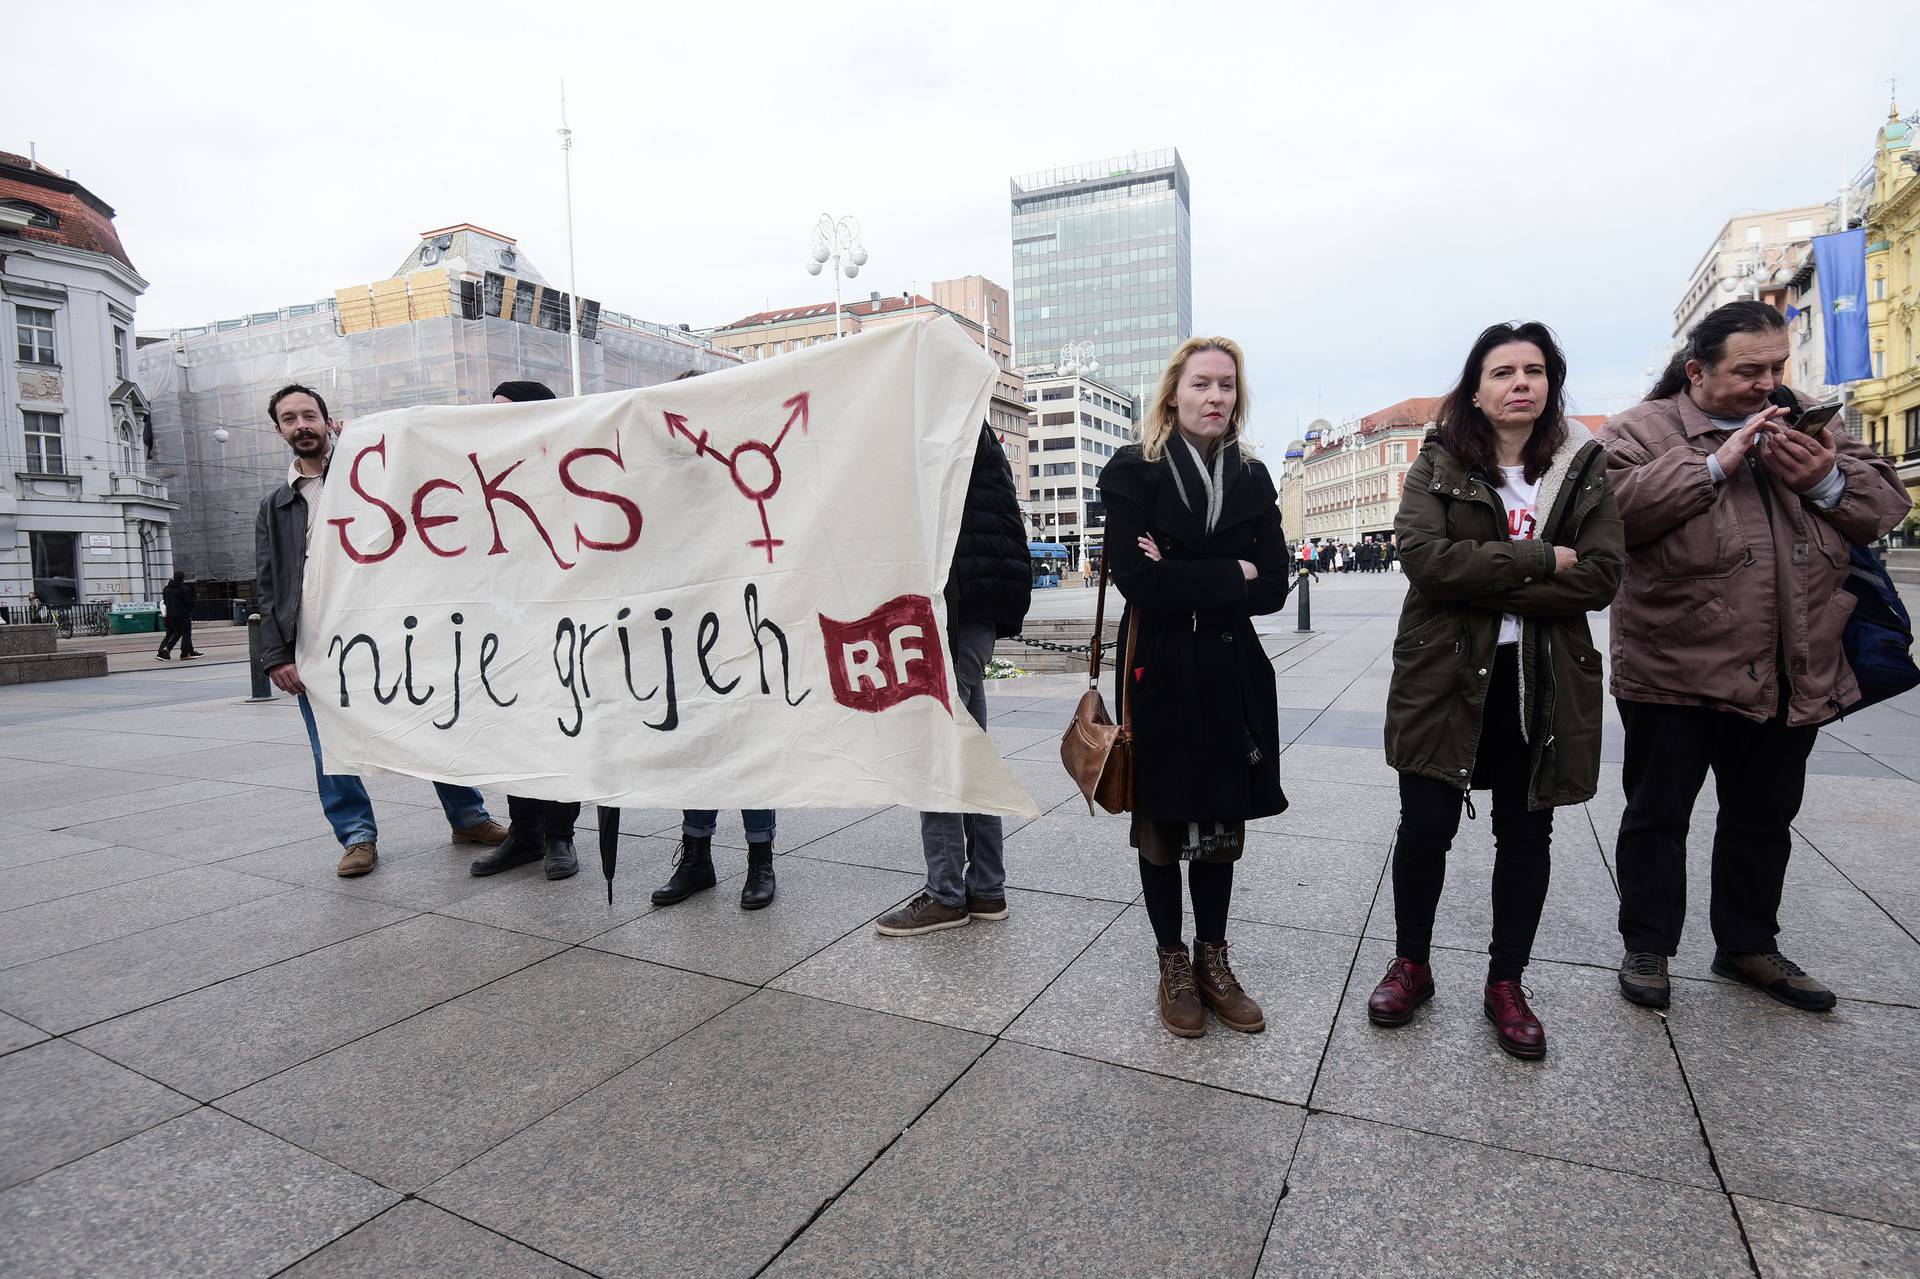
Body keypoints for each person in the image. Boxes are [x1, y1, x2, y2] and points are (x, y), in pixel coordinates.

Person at [1603, 301, 1910, 1012]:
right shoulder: (1639, 431)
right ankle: (1648, 942)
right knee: (1657, 813)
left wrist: (1826, 480)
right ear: (1696, 371)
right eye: (1749, 370)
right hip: (1672, 665)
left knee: (1764, 814)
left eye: (1777, 366)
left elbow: (1880, 503)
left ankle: (1748, 942)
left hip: (1789, 663)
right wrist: (1712, 464)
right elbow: (1614, 515)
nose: (1768, 382)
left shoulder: (1810, 418)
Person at [1370, 322, 1624, 1059]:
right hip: (1442, 674)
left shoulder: (1579, 466)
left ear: (1551, 383)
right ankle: (1410, 962)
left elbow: (1602, 576)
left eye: (1535, 370)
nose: (1521, 382)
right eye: (1504, 371)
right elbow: (1426, 562)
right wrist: (1541, 558)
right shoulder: (1439, 463)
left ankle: (1505, 981)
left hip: (1539, 676)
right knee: (1424, 827)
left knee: (1526, 831)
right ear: (1475, 390)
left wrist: (1487, 581)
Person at [1087, 337, 1290, 1039]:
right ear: (1173, 392)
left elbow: (1274, 587)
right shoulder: (1133, 472)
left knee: (1221, 825)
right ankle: (1172, 961)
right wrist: (1229, 570)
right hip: (1160, 671)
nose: (1215, 397)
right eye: (1202, 383)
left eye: (1227, 386)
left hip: (1230, 670)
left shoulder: (1256, 477)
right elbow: (1137, 581)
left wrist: (1186, 567)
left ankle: (1214, 958)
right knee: (1162, 823)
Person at [255, 383, 508, 878]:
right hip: (317, 640)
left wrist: (375, 446)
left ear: (330, 421)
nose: (301, 425)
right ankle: (356, 836)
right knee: (331, 741)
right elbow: (269, 581)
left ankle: (468, 817)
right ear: (280, 430)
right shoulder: (276, 505)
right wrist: (276, 654)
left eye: (310, 415)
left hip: (393, 627)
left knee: (434, 720)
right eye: (290, 419)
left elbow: (427, 481)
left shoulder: (368, 471)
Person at [874, 417, 1032, 936]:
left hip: (954, 612)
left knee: (936, 750)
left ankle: (946, 893)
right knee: (969, 752)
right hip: (966, 613)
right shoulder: (969, 429)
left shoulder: (946, 429)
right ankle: (986, 888)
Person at [465, 381, 579, 882]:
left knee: (560, 730)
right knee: (512, 728)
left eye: (507, 412)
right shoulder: (481, 469)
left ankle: (559, 835)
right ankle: (525, 833)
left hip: (563, 624)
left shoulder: (565, 467)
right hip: (505, 625)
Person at [156, 570, 201, 660]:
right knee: (186, 634)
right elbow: (190, 603)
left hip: (170, 614)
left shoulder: (166, 589)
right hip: (183, 615)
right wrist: (190, 611)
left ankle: (164, 651)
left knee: (175, 632)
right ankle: (184, 653)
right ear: (183, 579)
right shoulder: (184, 589)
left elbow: (165, 601)